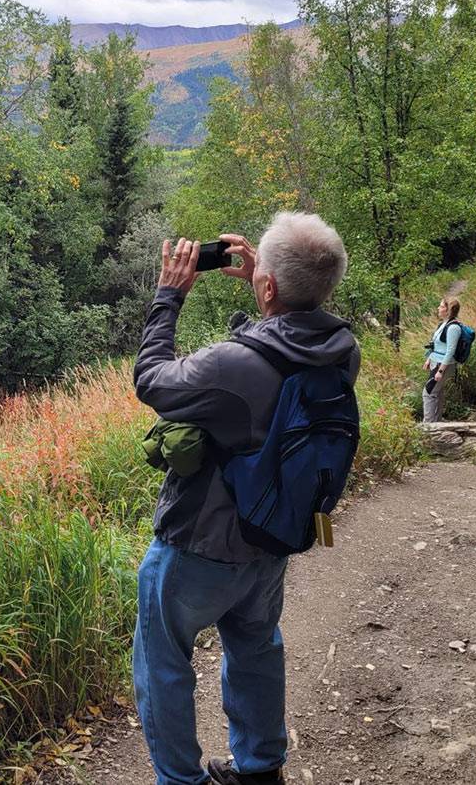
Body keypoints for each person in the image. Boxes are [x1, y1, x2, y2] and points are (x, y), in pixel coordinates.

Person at [133, 212, 357, 785]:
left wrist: (168, 296)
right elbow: (296, 331)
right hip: (275, 535)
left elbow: (152, 381)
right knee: (257, 649)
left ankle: (182, 778)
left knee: (162, 661)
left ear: (268, 287)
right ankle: (260, 769)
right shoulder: (342, 349)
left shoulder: (234, 364)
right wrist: (272, 286)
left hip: (199, 545)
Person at [421, 297, 462, 423]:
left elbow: (450, 351)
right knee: (437, 393)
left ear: (448, 310)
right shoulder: (443, 324)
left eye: (441, 306)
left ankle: (428, 425)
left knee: (428, 393)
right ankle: (436, 423)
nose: (438, 308)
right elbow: (436, 345)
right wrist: (429, 359)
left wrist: (440, 371)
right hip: (436, 362)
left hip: (443, 365)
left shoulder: (453, 328)